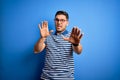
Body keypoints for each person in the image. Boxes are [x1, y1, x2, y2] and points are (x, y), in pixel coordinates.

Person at [34, 10, 83, 80]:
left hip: (66, 78)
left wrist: (76, 44)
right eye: (57, 20)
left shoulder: (72, 37)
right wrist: (42, 38)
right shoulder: (47, 35)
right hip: (46, 78)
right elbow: (36, 50)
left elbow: (79, 51)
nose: (59, 22)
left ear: (67, 23)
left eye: (62, 20)